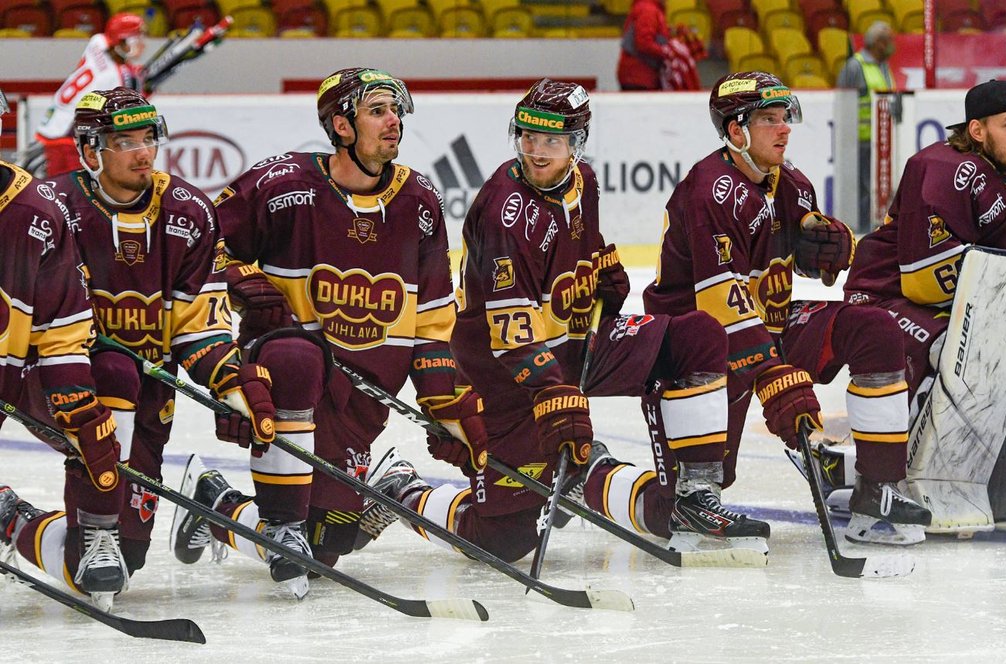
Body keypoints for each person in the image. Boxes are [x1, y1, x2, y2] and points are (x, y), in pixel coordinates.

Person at [345, 78, 768, 564]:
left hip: (576, 347)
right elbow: (511, 334)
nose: (537, 152)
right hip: (507, 376)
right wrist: (551, 390)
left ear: (576, 144)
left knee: (697, 337)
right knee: (502, 540)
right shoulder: (504, 213)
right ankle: (401, 490)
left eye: (552, 141)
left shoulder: (583, 181)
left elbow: (581, 251)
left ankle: (693, 496)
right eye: (528, 137)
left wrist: (602, 273)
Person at [171, 68, 486, 584]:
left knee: (323, 551)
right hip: (293, 379)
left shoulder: (420, 202)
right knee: (292, 536)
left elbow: (432, 319)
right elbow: (200, 242)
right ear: (341, 125)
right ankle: (282, 516)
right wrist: (242, 277)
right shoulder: (281, 185)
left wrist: (442, 399)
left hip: (365, 396)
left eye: (396, 111)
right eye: (377, 111)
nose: (393, 122)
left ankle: (216, 503)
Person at [3, 86, 283, 607]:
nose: (143, 152)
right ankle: (91, 531)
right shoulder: (51, 208)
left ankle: (12, 518)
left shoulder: (190, 210)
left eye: (149, 137)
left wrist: (229, 379)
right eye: (125, 141)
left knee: (123, 566)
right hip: (60, 382)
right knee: (113, 372)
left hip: (150, 391)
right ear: (91, 150)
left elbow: (197, 326)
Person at [643, 71, 931, 546]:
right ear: (736, 131)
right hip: (696, 348)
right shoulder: (708, 190)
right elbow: (721, 305)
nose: (785, 129)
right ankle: (664, 491)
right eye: (769, 120)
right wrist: (776, 376)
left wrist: (827, 247)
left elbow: (801, 249)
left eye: (786, 118)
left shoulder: (790, 182)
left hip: (766, 326)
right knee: (683, 494)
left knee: (874, 329)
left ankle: (877, 488)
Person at [841, 79, 1006, 529]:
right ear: (977, 130)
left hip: (967, 298)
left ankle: (965, 462)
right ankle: (887, 473)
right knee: (956, 347)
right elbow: (922, 283)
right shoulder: (939, 169)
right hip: (885, 294)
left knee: (991, 343)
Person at [0, 87, 124, 610]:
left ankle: (10, 517)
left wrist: (75, 399)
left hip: (13, 377)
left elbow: (60, 329)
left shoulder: (34, 211)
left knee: (107, 406)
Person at [35, 13, 147, 177]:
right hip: (67, 138)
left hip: (56, 120)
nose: (140, 45)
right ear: (120, 41)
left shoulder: (97, 41)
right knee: (70, 193)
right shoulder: (114, 77)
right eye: (134, 40)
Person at [836, 20, 896, 232]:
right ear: (878, 43)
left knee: (878, 188)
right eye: (889, 41)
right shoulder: (855, 66)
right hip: (859, 140)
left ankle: (875, 229)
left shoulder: (884, 67)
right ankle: (860, 232)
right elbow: (843, 102)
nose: (892, 45)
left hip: (881, 141)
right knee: (862, 189)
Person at [617, 0, 703, 92]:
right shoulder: (648, 10)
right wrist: (669, 52)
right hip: (639, 76)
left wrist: (672, 32)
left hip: (639, 75)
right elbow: (644, 43)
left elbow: (652, 34)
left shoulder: (649, 7)